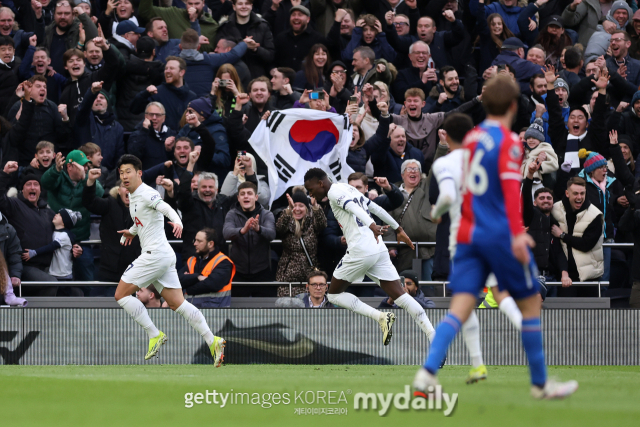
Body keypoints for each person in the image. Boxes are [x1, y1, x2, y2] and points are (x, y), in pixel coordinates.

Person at [414, 74, 578, 399]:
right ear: (515, 106)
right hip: (496, 234)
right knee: (531, 303)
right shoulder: (507, 141)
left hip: (467, 234)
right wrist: (517, 234)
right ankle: (541, 383)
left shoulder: (472, 139)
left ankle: (426, 374)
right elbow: (507, 189)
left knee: (459, 307)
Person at [304, 167, 438, 348]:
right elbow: (374, 206)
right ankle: (433, 336)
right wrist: (398, 228)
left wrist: (372, 225)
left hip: (360, 249)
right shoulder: (347, 188)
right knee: (401, 296)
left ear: (320, 183)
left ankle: (381, 317)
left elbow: (353, 208)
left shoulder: (335, 192)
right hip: (378, 248)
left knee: (334, 295)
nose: (310, 193)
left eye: (311, 189)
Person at [114, 154, 226, 366]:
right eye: (121, 173)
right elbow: (143, 222)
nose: (124, 176)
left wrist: (177, 221)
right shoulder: (134, 197)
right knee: (177, 303)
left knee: (120, 295)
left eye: (128, 171)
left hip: (155, 255)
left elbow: (165, 208)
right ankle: (213, 341)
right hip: (163, 256)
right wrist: (131, 231)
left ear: (139, 173)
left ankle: (154, 334)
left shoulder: (147, 193)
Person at [41, 150, 102, 282]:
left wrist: (87, 177)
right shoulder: (58, 177)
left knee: (87, 279)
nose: (85, 168)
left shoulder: (87, 178)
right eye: (81, 165)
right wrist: (55, 169)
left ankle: (86, 303)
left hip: (81, 240)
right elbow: (45, 182)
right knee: (55, 280)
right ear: (69, 166)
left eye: (86, 165)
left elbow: (100, 193)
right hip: (56, 241)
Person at [82, 169, 140, 288]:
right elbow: (89, 202)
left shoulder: (144, 209)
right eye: (125, 186)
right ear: (119, 190)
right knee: (109, 305)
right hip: (110, 271)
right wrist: (91, 181)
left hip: (136, 272)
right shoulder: (109, 204)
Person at [551, 176, 605, 297]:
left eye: (582, 193)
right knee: (564, 315)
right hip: (563, 274)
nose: (579, 197)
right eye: (575, 193)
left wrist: (562, 235)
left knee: (590, 315)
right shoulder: (555, 209)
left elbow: (586, 244)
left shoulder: (595, 214)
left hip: (588, 276)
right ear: (567, 193)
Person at [222, 181, 276, 296]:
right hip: (238, 272)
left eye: (249, 193)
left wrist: (258, 229)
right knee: (238, 311)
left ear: (256, 197)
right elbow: (226, 233)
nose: (246, 196)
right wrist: (242, 230)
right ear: (238, 198)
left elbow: (272, 234)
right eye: (242, 194)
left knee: (265, 309)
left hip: (262, 271)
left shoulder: (266, 214)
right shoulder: (231, 214)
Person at [275, 191, 327, 297]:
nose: (297, 209)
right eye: (295, 205)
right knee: (288, 309)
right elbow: (279, 228)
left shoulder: (312, 222)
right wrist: (288, 210)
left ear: (306, 208)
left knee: (310, 310)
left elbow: (322, 225)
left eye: (301, 206)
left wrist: (316, 206)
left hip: (310, 278)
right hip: (288, 278)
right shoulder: (286, 219)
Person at [130, 56, 198, 131]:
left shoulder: (192, 97)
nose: (167, 71)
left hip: (183, 141)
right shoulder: (156, 93)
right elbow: (134, 109)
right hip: (160, 140)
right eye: (166, 68)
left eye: (171, 68)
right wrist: (145, 94)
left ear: (182, 72)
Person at [214, 0, 275, 79]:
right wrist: (243, 45)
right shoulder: (225, 27)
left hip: (258, 78)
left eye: (247, 3)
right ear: (234, 7)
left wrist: (256, 49)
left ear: (251, 6)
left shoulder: (263, 26)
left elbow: (271, 56)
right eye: (240, 4)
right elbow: (220, 56)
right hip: (233, 77)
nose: (244, 6)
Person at [178, 228, 235, 308]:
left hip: (215, 314)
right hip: (190, 313)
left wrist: (188, 288)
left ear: (210, 244)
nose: (195, 244)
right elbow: (177, 280)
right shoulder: (192, 260)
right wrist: (197, 277)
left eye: (199, 241)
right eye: (195, 240)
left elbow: (212, 284)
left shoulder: (223, 262)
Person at [74, 81, 124, 171]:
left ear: (107, 103)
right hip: (85, 172)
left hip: (108, 175)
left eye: (102, 97)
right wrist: (91, 92)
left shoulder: (117, 128)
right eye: (95, 98)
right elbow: (83, 109)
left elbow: (119, 157)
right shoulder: (84, 120)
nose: (98, 99)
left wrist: (112, 177)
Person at [21, 208, 81, 282]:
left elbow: (51, 246)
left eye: (60, 215)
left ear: (64, 221)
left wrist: (34, 252)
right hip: (55, 273)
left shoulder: (64, 235)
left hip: (63, 275)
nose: (56, 215)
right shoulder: (55, 232)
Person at [138, 0, 219, 52]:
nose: (193, 7)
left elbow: (205, 49)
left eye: (197, 3)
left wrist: (193, 21)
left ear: (203, 3)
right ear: (186, 3)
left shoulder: (212, 25)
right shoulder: (173, 13)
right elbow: (145, 12)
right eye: (190, 3)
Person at [273, 5, 326, 71]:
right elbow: (273, 61)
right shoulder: (281, 38)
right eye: (293, 15)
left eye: (300, 15)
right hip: (284, 79)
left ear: (308, 19)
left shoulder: (318, 39)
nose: (296, 17)